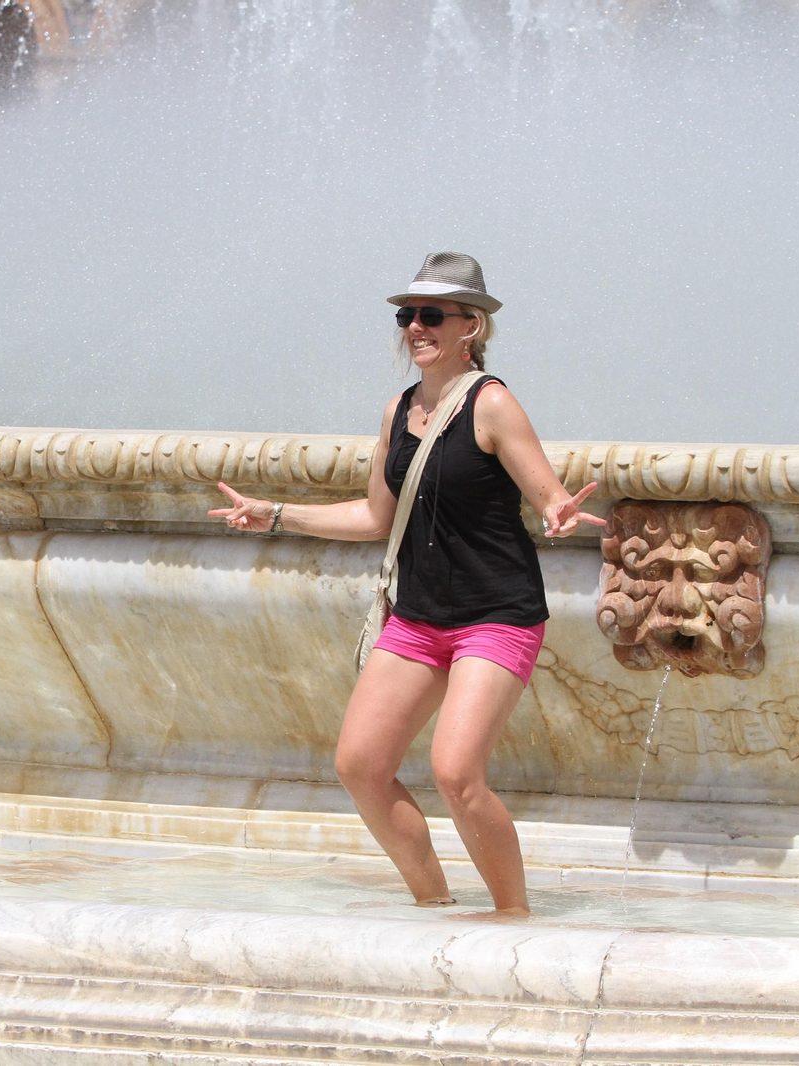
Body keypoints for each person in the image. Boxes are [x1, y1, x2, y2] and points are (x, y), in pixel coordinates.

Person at [209, 252, 603, 915]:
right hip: (418, 617)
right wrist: (274, 514)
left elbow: (548, 495)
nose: (415, 328)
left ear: (470, 326)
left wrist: (560, 512)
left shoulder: (493, 404)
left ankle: (513, 921)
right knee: (360, 766)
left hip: (496, 613)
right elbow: (375, 517)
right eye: (407, 316)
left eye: (430, 316)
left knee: (456, 773)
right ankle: (434, 908)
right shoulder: (398, 411)